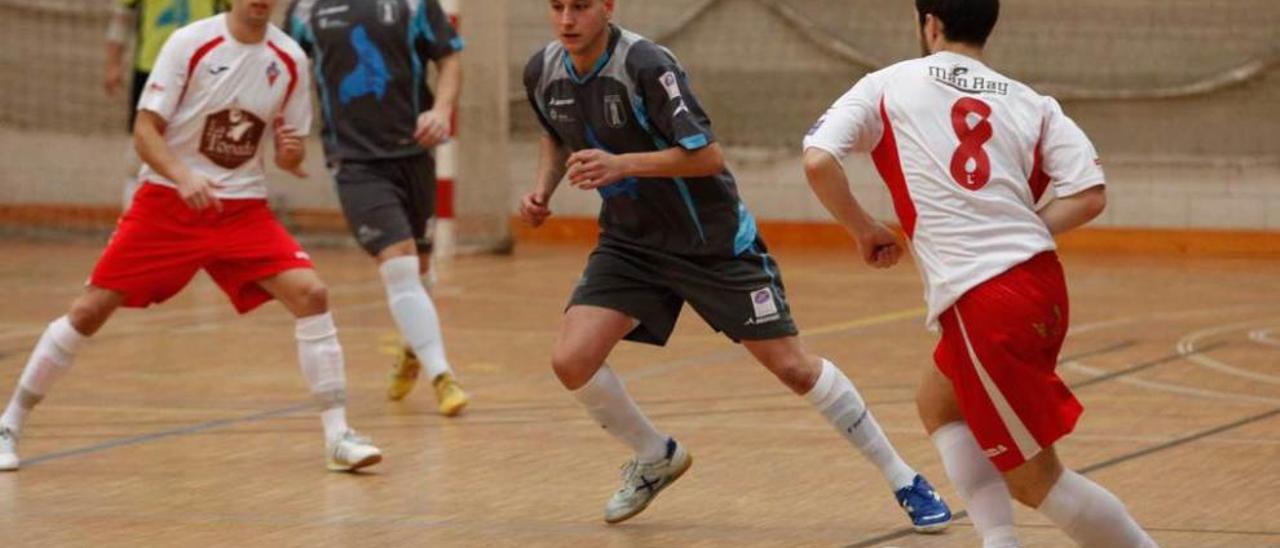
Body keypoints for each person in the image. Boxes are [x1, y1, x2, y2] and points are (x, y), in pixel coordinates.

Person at [519, 0, 952, 530]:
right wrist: (543, 190)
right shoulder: (542, 71)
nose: (567, 18)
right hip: (632, 243)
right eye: (557, 6)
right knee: (572, 359)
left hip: (712, 242)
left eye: (581, 6)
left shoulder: (645, 66)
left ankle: (904, 477)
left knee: (793, 367)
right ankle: (656, 456)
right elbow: (556, 132)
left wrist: (622, 163)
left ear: (607, 6)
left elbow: (708, 156)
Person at [802, 1, 1157, 546]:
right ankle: (998, 542)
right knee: (938, 401)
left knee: (1038, 482)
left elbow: (819, 158)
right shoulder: (1031, 101)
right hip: (1036, 284)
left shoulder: (886, 84)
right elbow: (1089, 196)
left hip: (985, 300)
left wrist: (864, 228)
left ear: (931, 24)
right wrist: (1023, 227)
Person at [0, 0, 381, 474]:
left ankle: (338, 436)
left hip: (241, 210)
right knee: (88, 310)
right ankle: (9, 423)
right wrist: (182, 176)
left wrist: (290, 152)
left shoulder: (290, 60)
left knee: (312, 295)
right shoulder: (190, 43)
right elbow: (145, 131)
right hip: (167, 203)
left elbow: (289, 153)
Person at [283, 0, 467, 415]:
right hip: (354, 162)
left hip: (413, 155)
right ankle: (443, 376)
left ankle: (413, 346)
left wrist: (441, 111)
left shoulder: (414, 4)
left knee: (419, 269)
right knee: (398, 262)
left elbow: (450, 56)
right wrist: (287, 137)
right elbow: (283, 69)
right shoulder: (304, 10)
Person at [107, 0, 231, 210]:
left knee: (204, 147)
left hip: (203, 72)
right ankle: (133, 220)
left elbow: (237, 16)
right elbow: (121, 15)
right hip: (150, 70)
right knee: (139, 152)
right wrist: (113, 63)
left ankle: (203, 222)